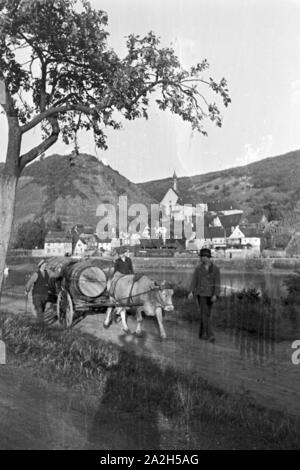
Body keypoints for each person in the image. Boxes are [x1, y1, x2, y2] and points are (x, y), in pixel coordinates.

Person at [188, 248, 221, 342]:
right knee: (204, 314)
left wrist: (215, 295)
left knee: (207, 315)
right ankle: (210, 335)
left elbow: (217, 283)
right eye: (201, 257)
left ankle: (201, 334)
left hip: (211, 295)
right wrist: (191, 291)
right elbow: (194, 280)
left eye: (204, 257)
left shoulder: (215, 269)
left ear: (209, 258)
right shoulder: (198, 269)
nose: (202, 259)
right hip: (201, 294)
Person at [25, 259, 51, 325]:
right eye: (44, 264)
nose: (45, 265)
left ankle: (39, 324)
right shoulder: (36, 274)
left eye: (45, 264)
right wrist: (27, 290)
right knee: (39, 310)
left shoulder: (48, 272)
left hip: (45, 295)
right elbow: (29, 283)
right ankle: (41, 326)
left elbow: (55, 275)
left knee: (42, 310)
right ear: (41, 265)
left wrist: (60, 271)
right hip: (37, 295)